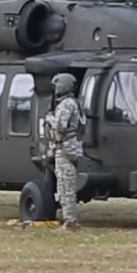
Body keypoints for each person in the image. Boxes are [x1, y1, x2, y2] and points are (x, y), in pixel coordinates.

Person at [42, 72, 86, 230]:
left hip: (66, 148)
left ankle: (71, 221)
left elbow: (60, 126)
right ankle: (70, 219)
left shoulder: (67, 104)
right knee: (65, 185)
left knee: (66, 186)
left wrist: (49, 118)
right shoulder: (75, 103)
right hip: (71, 147)